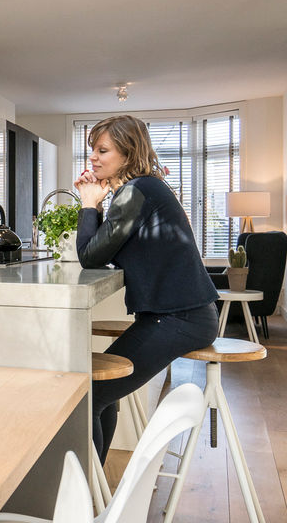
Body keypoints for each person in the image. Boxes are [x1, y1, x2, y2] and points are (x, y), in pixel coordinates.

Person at [76, 114, 220, 461]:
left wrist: (89, 204)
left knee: (91, 392)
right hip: (176, 316)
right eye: (92, 150)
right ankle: (94, 489)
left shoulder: (137, 191)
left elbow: (90, 256)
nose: (93, 157)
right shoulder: (139, 190)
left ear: (127, 153)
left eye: (102, 150)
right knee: (100, 389)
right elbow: (101, 250)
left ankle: (88, 497)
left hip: (179, 319)